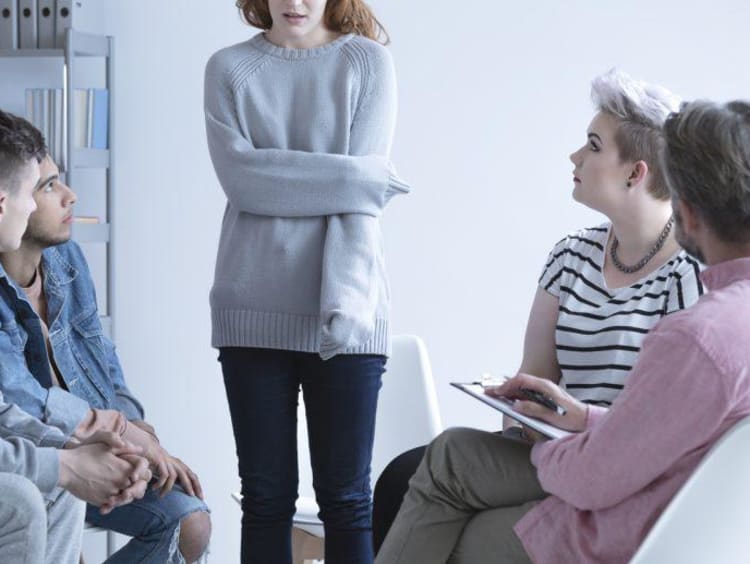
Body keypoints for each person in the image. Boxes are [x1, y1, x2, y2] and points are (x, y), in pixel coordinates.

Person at [376, 99, 750, 563]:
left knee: (450, 525)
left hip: (631, 525)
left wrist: (559, 446)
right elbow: (664, 430)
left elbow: (596, 476)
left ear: (688, 211)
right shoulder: (719, 320)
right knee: (448, 457)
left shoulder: (698, 333)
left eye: (592, 146)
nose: (575, 157)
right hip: (679, 511)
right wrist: (580, 421)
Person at [204, 0, 409, 562]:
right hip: (251, 306)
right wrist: (352, 176)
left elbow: (359, 204)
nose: (295, 2)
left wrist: (340, 303)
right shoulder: (228, 68)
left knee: (347, 501)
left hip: (345, 305)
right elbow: (245, 184)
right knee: (266, 501)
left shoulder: (367, 63)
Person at [0, 113, 211, 563]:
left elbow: (103, 360)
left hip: (87, 442)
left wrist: (134, 434)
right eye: (48, 186)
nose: (71, 197)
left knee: (190, 520)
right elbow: (16, 397)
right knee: (49, 496)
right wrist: (114, 438)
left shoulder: (67, 260)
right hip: (50, 446)